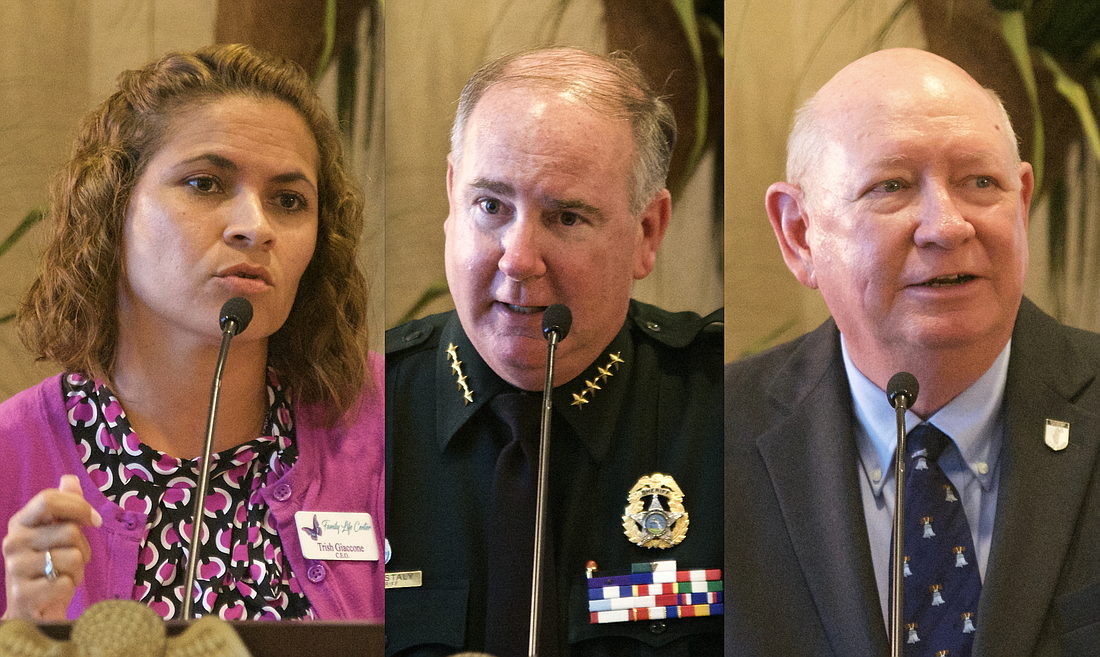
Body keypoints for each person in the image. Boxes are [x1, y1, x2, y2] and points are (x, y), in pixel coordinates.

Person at [725, 47, 1100, 656]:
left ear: (1022, 202)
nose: (947, 226)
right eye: (891, 187)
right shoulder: (712, 437)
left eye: (981, 182)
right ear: (799, 233)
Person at [0, 44, 384, 623]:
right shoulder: (13, 453)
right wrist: (22, 636)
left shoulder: (384, 426)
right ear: (112, 206)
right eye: (205, 184)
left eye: (288, 200)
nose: (255, 227)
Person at [385, 47, 723, 655]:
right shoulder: (359, 412)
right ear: (450, 198)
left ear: (648, 233)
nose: (517, 258)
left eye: (565, 217)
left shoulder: (725, 410)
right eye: (490, 207)